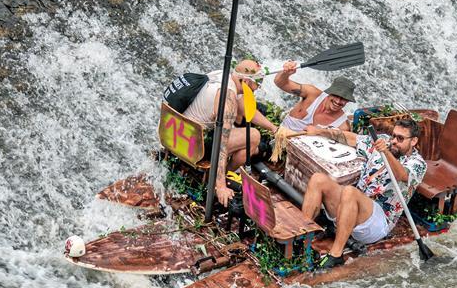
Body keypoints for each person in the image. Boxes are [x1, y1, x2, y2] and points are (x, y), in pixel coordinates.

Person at [300, 117, 428, 268]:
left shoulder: (418, 164)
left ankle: (336, 254)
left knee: (350, 191)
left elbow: (401, 175)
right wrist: (320, 131)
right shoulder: (383, 141)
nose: (394, 141)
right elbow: (352, 138)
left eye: (400, 138)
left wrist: (385, 152)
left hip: (377, 223)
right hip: (351, 207)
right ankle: (301, 240)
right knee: (318, 179)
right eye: (393, 135)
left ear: (413, 141)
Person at [168, 59, 279, 206]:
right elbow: (221, 144)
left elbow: (245, 107)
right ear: (246, 82)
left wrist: (273, 128)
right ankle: (216, 179)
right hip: (193, 145)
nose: (258, 88)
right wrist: (220, 186)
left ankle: (217, 177)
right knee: (253, 136)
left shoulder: (223, 76)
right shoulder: (228, 99)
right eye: (257, 84)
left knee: (248, 134)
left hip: (173, 133)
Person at [268, 63, 353, 160]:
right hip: (277, 137)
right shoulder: (312, 93)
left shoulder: (343, 125)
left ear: (348, 101)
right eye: (336, 96)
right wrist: (286, 73)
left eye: (343, 99)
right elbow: (280, 83)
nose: (338, 101)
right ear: (329, 93)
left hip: (302, 155)